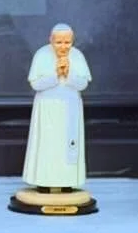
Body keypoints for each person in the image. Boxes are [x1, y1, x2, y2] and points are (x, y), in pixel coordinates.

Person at [21, 23, 91, 190]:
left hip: (70, 109)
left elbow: (83, 84)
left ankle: (67, 182)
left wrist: (69, 74)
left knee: (68, 146)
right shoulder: (41, 55)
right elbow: (36, 84)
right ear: (50, 40)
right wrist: (56, 74)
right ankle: (44, 182)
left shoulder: (77, 56)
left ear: (72, 41)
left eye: (67, 42)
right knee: (47, 147)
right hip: (47, 110)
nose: (63, 46)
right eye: (58, 42)